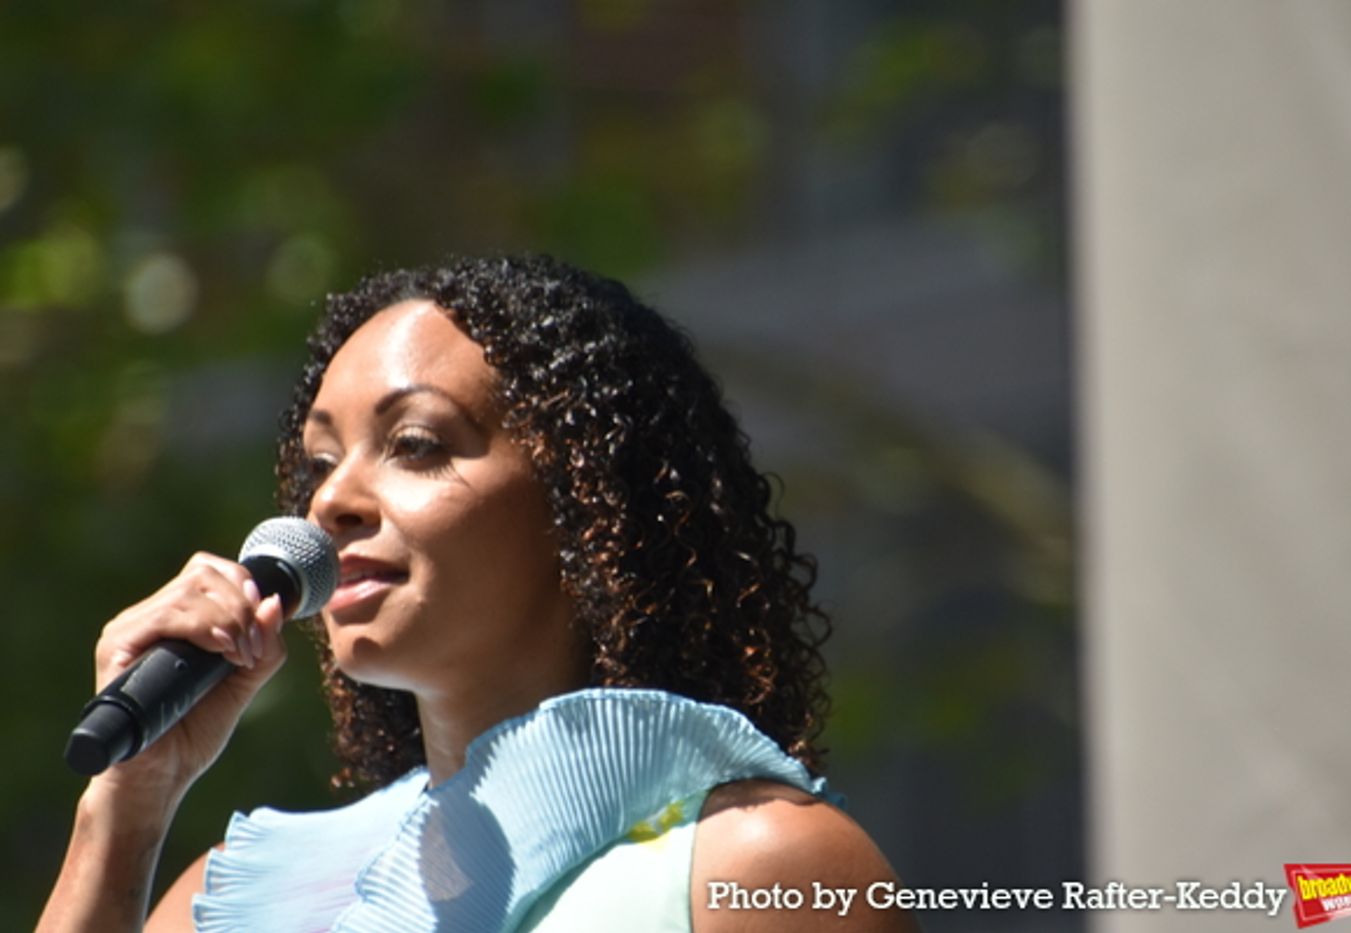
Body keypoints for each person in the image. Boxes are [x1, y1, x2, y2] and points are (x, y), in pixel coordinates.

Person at [38, 255, 917, 932]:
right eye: (318, 461)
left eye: (416, 444)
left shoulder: (753, 868)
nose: (329, 500)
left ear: (589, 505)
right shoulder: (248, 900)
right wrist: (128, 804)